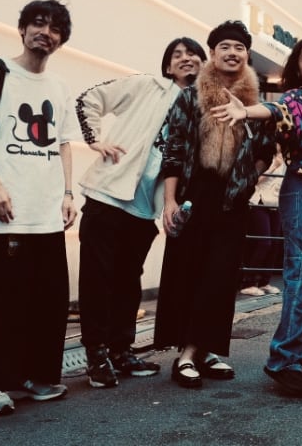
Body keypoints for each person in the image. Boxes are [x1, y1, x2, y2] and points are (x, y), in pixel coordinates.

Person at [212, 4, 302, 397]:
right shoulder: (296, 98)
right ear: (297, 67)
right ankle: (283, 360)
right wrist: (245, 111)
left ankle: (301, 349)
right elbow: (273, 108)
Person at [0, 0, 78, 416]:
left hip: (46, 212)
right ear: (23, 29)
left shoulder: (59, 86)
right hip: (5, 209)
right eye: (38, 23)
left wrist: (68, 194)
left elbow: (63, 142)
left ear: (61, 39)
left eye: (54, 28)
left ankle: (34, 376)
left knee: (47, 300)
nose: (45, 32)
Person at [75, 37, 207, 388]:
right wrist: (95, 139)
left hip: (144, 208)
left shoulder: (201, 106)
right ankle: (96, 355)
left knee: (127, 283)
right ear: (167, 66)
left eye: (193, 53)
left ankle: (120, 350)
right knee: (98, 280)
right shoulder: (146, 85)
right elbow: (88, 98)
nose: (185, 58)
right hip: (108, 196)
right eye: (177, 54)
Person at [153, 20, 276, 389]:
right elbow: (173, 149)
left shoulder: (255, 101)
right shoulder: (190, 96)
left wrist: (249, 176)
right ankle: (187, 353)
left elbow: (266, 151)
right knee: (188, 273)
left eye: (239, 47)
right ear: (212, 52)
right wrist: (170, 201)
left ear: (247, 54)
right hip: (194, 196)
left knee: (221, 278)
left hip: (233, 199)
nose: (232, 53)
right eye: (225, 46)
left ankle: (203, 351)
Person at [239, 150, 284, 297]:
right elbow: (253, 180)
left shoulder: (286, 158)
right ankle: (248, 283)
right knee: (264, 243)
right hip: (259, 201)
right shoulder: (265, 154)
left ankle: (264, 282)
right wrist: (273, 166)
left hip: (276, 203)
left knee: (275, 244)